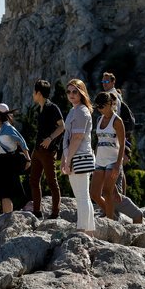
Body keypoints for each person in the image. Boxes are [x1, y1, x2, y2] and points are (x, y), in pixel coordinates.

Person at [0, 104, 31, 214]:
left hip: (9, 161)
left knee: (6, 193)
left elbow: (21, 142)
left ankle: (7, 217)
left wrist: (28, 159)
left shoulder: (8, 128)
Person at [61, 79, 96, 236]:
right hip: (75, 155)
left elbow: (77, 137)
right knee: (83, 195)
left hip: (80, 156)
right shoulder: (73, 110)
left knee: (82, 196)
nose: (71, 95)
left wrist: (68, 160)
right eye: (68, 91)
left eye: (75, 91)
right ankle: (88, 230)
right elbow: (67, 138)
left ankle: (82, 230)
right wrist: (64, 159)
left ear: (82, 92)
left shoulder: (81, 111)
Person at [30, 80, 65, 219]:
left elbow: (62, 126)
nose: (33, 94)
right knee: (33, 180)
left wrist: (50, 138)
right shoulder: (41, 107)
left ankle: (55, 213)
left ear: (38, 93)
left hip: (48, 151)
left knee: (52, 182)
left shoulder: (52, 107)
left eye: (34, 92)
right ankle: (37, 212)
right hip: (37, 150)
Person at [90, 92, 125, 219]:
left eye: (102, 106)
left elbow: (122, 145)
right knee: (94, 193)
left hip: (112, 160)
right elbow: (98, 142)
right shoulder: (99, 120)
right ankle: (112, 215)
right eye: (98, 107)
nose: (100, 110)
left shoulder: (117, 121)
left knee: (107, 192)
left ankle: (110, 221)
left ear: (110, 104)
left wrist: (117, 165)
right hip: (99, 160)